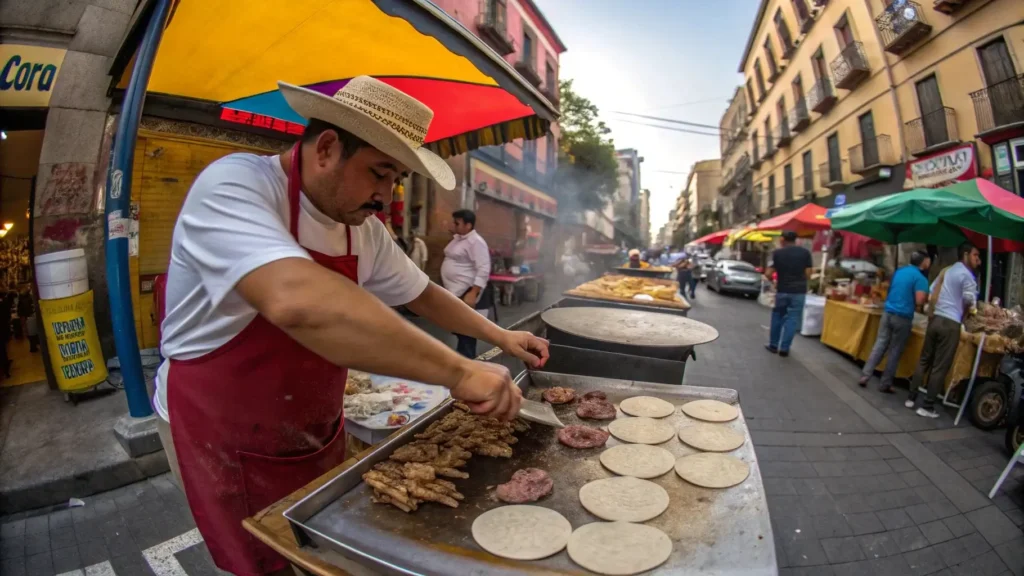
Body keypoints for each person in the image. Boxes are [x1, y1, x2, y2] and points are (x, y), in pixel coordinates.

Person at [154, 76, 548, 576]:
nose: (386, 195)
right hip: (225, 427)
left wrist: (499, 336)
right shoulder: (235, 186)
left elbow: (423, 294)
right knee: (264, 562)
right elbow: (295, 299)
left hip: (314, 422)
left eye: (396, 179)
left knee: (321, 552)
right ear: (326, 149)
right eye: (379, 173)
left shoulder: (362, 228)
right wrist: (457, 371)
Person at [906, 242, 980, 418]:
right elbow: (970, 302)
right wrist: (968, 314)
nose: (979, 260)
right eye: (976, 255)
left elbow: (932, 292)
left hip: (936, 319)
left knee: (924, 360)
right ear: (966, 254)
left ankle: (911, 397)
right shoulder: (968, 277)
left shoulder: (947, 270)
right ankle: (927, 406)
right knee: (940, 366)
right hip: (951, 322)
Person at [859, 251, 931, 393]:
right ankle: (885, 383)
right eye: (929, 261)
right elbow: (919, 301)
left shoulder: (899, 272)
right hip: (903, 316)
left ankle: (865, 375)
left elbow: (893, 288)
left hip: (888, 312)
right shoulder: (920, 278)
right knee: (895, 350)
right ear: (924, 262)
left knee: (880, 343)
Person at [441, 209, 493, 359]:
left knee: (467, 332)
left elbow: (484, 268)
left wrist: (473, 292)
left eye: (457, 223)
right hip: (456, 291)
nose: (454, 225)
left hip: (467, 292)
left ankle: (467, 364)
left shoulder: (476, 242)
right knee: (461, 330)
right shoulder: (459, 239)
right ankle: (464, 361)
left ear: (468, 225)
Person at [764, 230, 813, 357]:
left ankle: (773, 345)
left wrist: (774, 282)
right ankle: (785, 349)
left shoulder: (777, 253)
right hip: (799, 292)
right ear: (796, 240)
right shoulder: (805, 253)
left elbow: (768, 273)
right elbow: (808, 274)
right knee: (792, 320)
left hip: (782, 290)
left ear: (782, 239)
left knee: (777, 317)